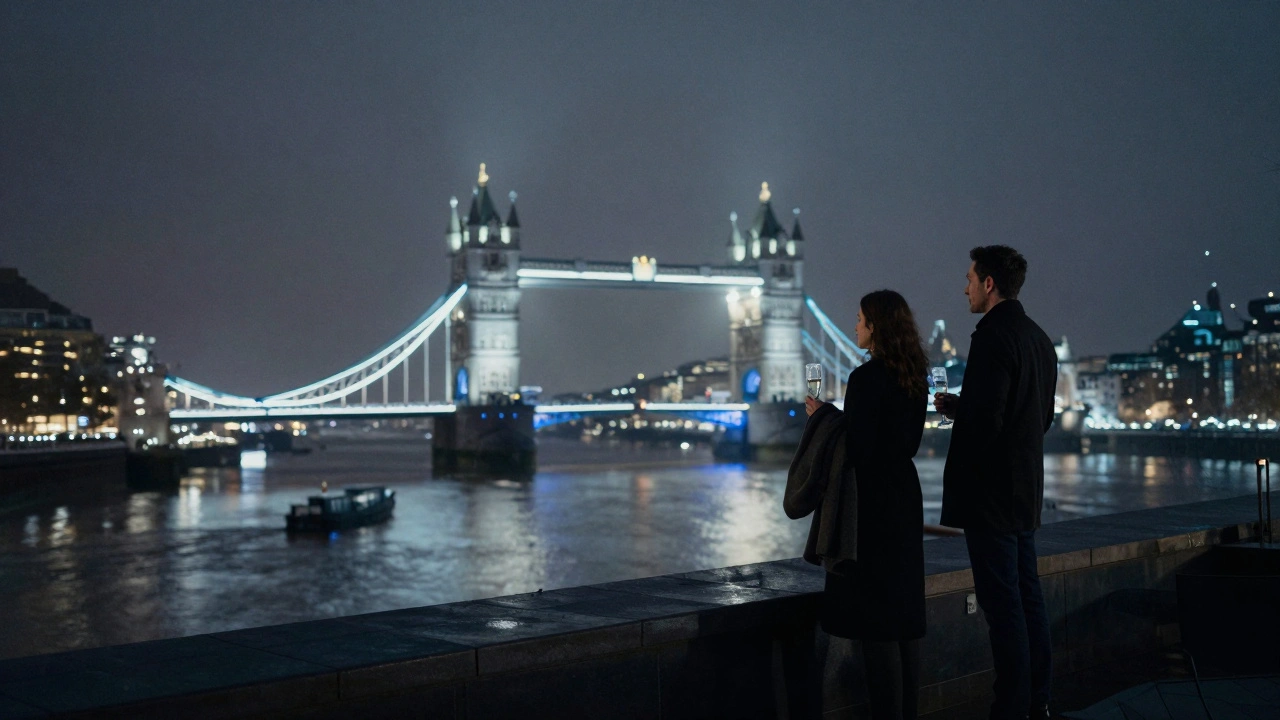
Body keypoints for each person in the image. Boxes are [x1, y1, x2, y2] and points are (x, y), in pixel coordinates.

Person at [933, 246, 1058, 720]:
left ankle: (1010, 708)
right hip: (1025, 492)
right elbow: (1035, 417)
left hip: (991, 498)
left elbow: (989, 423)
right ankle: (1038, 700)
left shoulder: (991, 337)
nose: (963, 287)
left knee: (1002, 608)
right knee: (1029, 599)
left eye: (969, 278)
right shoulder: (1039, 339)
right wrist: (963, 407)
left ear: (989, 284)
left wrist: (968, 419)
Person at [803, 289, 929, 720]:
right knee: (904, 622)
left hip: (870, 505)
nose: (853, 325)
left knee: (876, 627)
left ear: (875, 326)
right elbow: (903, 442)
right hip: (905, 498)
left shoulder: (865, 379)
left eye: (859, 319)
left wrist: (822, 416)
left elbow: (858, 446)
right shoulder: (916, 374)